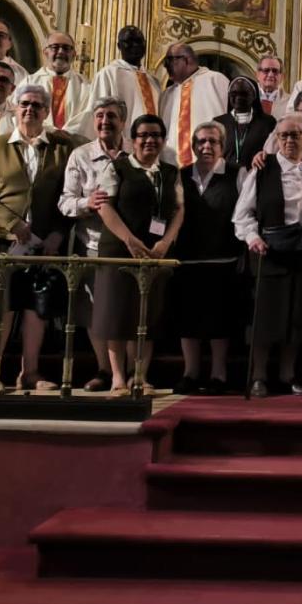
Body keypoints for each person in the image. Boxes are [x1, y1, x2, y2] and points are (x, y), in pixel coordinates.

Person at [0, 83, 75, 392]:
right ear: (15, 108)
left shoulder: (61, 147)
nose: (30, 109)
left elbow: (70, 193)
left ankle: (30, 372)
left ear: (46, 112)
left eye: (37, 105)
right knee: (0, 306)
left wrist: (57, 234)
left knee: (35, 306)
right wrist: (12, 223)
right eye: (25, 104)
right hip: (2, 239)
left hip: (43, 241)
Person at [234, 114, 302, 396]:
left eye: (295, 135)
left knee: (296, 318)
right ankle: (259, 376)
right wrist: (253, 238)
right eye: (284, 135)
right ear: (276, 139)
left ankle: (288, 374)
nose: (290, 140)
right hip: (268, 253)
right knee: (265, 319)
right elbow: (242, 213)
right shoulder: (263, 168)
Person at [91, 114, 182, 395]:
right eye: (143, 135)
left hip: (154, 253)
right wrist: (129, 240)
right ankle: (118, 377)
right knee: (116, 314)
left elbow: (179, 209)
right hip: (119, 250)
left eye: (156, 135)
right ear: (133, 140)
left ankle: (138, 375)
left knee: (146, 315)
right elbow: (104, 206)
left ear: (163, 140)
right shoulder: (117, 167)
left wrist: (166, 242)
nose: (149, 140)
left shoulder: (170, 172)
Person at [57, 96, 127, 391]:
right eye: (99, 116)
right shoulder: (81, 155)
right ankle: (104, 370)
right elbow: (65, 202)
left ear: (123, 121)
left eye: (111, 116)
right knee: (95, 311)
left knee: (127, 310)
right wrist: (87, 203)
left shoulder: (135, 152)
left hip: (130, 247)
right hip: (93, 245)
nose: (104, 121)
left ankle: (129, 372)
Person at [174, 121, 246, 393]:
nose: (206, 146)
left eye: (213, 141)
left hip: (224, 259)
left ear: (222, 146)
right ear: (193, 146)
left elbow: (246, 212)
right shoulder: (181, 175)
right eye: (201, 141)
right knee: (188, 319)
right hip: (188, 259)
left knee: (220, 320)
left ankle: (218, 374)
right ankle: (190, 372)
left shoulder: (237, 174)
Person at [160, 42, 230, 166]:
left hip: (209, 163)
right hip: (172, 166)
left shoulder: (216, 80)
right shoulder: (167, 94)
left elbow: (231, 120)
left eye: (169, 60)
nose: (165, 65)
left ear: (186, 60)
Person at [90, 26, 163, 138]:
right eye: (129, 41)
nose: (135, 45)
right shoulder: (108, 74)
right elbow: (98, 115)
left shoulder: (153, 81)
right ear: (119, 46)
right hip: (121, 144)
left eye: (139, 41)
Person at [27, 31, 91, 133]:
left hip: (73, 140)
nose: (61, 51)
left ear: (74, 54)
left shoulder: (85, 86)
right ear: (45, 52)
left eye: (66, 48)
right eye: (55, 47)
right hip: (37, 138)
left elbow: (87, 117)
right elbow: (21, 114)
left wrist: (64, 135)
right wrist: (50, 132)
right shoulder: (29, 83)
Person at [213, 76, 275, 171]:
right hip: (226, 177)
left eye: (244, 94)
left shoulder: (268, 122)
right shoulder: (218, 123)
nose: (239, 97)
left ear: (254, 95)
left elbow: (273, 153)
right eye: (234, 94)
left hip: (257, 176)